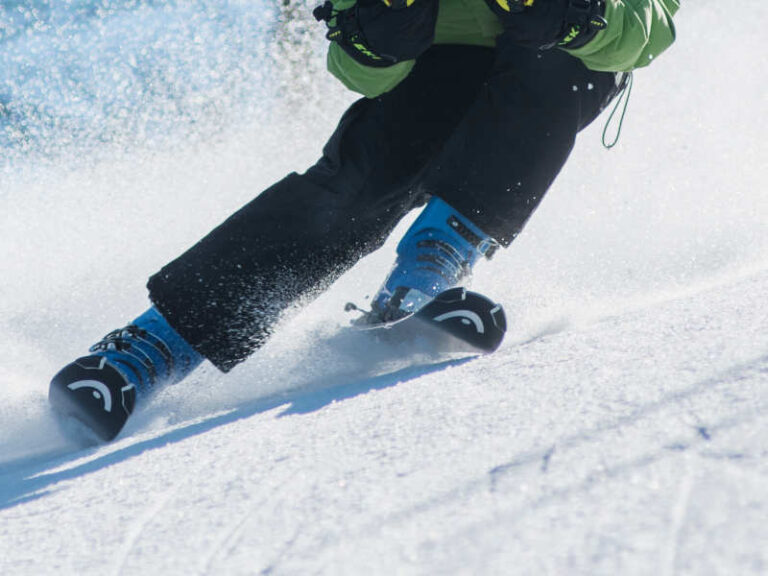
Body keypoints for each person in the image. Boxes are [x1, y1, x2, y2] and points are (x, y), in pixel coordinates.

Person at [49, 0, 679, 441]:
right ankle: (153, 347)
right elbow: (353, 69)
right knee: (354, 187)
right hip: (429, 81)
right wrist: (376, 36)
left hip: (553, 73)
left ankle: (431, 266)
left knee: (552, 70)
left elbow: (653, 26)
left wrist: (583, 14)